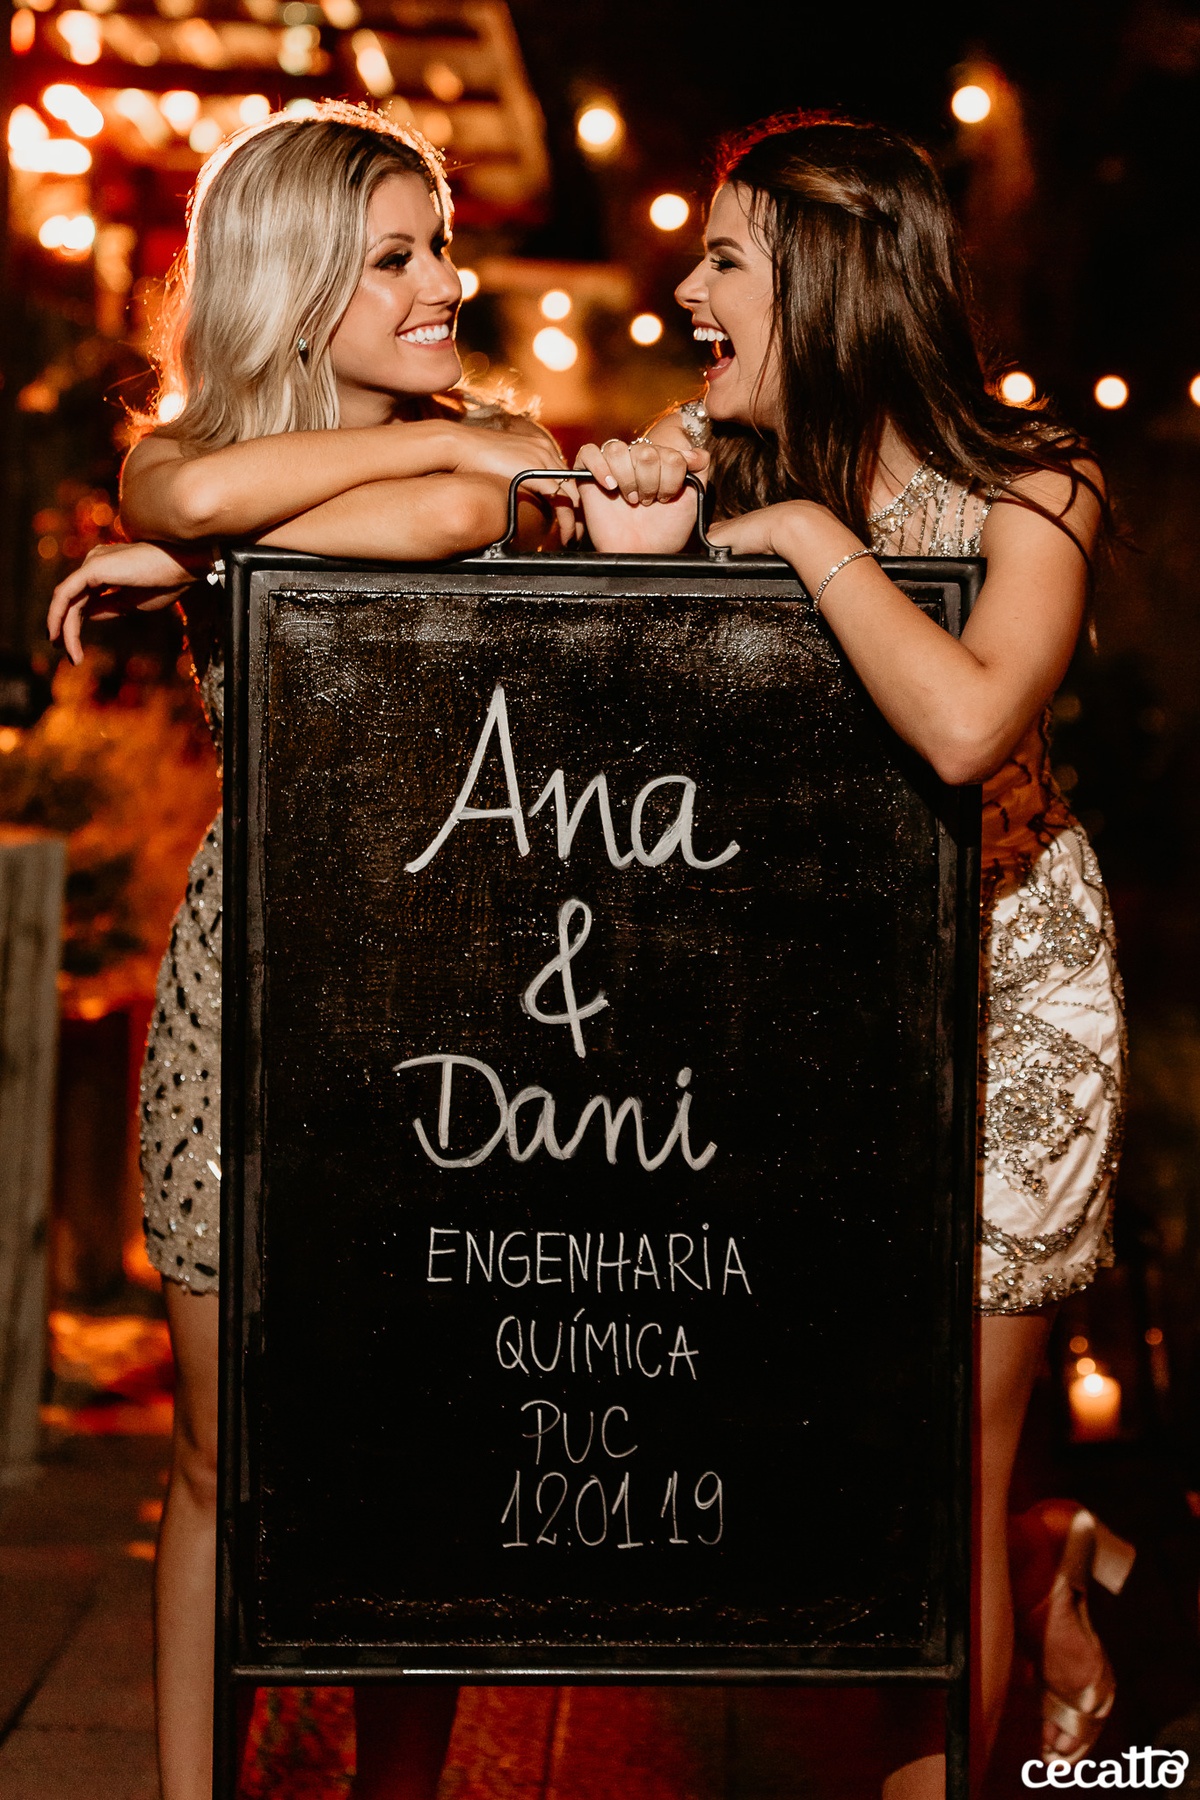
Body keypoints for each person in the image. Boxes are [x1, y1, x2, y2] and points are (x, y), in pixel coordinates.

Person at [575, 113, 1131, 1795]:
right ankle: (1048, 1563)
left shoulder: (1039, 485)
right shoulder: (718, 469)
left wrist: (816, 543)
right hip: (802, 1004)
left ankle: (990, 1608)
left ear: (827, 281)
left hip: (1008, 992)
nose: (687, 291)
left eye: (725, 260)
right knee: (831, 1444)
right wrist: (639, 536)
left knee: (944, 1465)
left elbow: (966, 725)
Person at [48, 99, 579, 1800]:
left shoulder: (491, 448)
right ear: (290, 285)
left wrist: (213, 547)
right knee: (220, 1460)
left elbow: (464, 509)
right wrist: (205, 522)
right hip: (251, 992)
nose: (447, 282)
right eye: (398, 258)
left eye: (441, 246)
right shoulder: (191, 466)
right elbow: (192, 478)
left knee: (423, 1457)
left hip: (449, 1005)